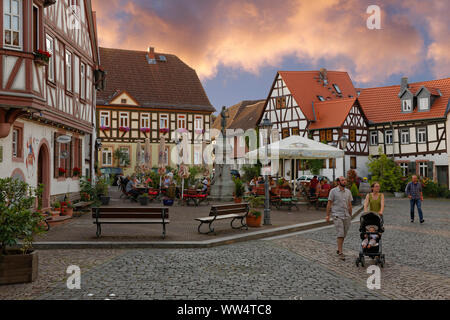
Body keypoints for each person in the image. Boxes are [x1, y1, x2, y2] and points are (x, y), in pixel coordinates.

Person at [326, 176, 353, 261]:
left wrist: (350, 215)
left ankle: (339, 248)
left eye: (345, 180)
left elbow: (349, 204)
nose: (344, 181)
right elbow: (329, 203)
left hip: (346, 216)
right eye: (342, 180)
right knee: (340, 233)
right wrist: (327, 215)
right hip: (337, 215)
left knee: (344, 234)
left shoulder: (348, 191)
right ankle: (341, 252)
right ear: (338, 182)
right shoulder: (333, 191)